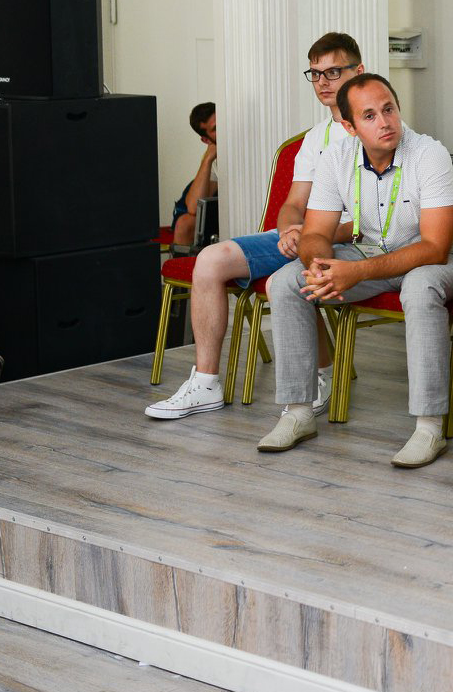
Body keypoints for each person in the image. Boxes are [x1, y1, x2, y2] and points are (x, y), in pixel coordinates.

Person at [255, 73, 453, 468]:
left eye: (389, 109)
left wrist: (356, 272)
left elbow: (434, 247)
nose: (385, 122)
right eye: (370, 115)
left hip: (448, 257)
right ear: (349, 126)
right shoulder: (336, 156)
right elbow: (316, 233)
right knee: (288, 281)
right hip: (371, 250)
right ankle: (298, 413)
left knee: (420, 286)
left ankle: (429, 426)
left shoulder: (428, 154)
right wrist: (320, 267)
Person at [146, 34, 364, 420]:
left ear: (358, 71)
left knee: (293, 274)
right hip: (307, 233)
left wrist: (312, 236)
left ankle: (323, 374)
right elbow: (293, 203)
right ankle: (206, 383)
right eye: (315, 74)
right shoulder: (315, 138)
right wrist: (289, 231)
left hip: (352, 240)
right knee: (210, 259)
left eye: (333, 72)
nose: (323, 82)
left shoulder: (377, 126)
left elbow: (371, 216)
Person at [171, 102, 218, 247]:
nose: (224, 129)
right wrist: (207, 159)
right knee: (185, 224)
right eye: (216, 129)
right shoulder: (215, 156)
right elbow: (193, 208)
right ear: (206, 140)